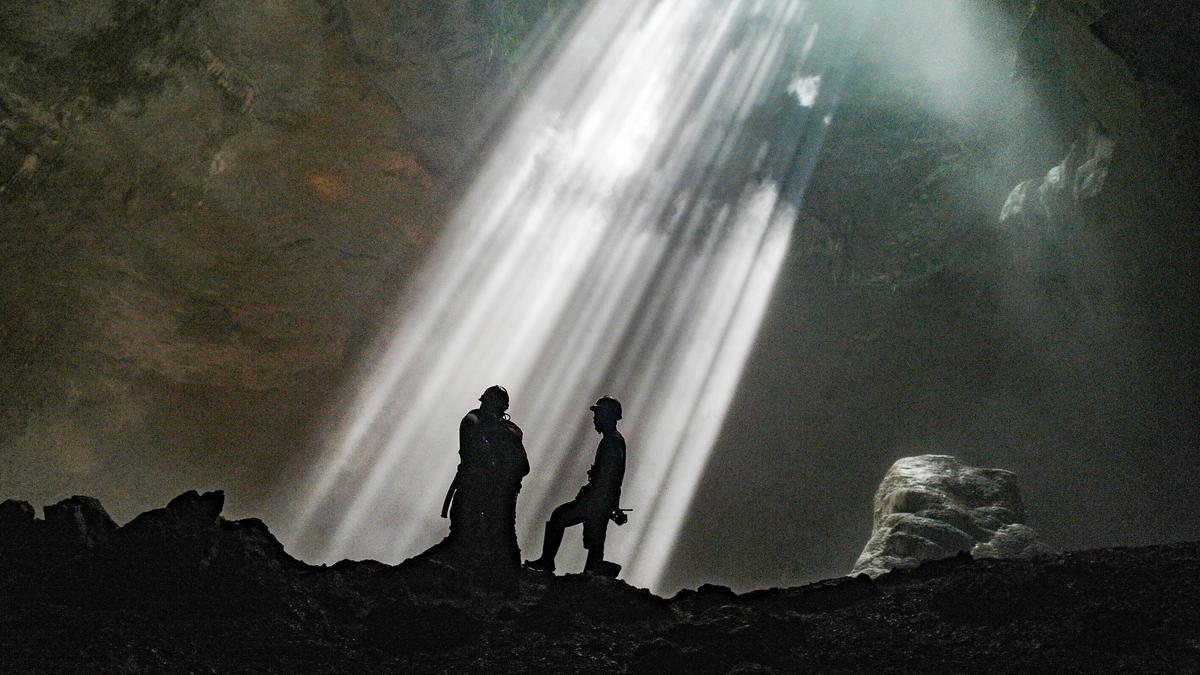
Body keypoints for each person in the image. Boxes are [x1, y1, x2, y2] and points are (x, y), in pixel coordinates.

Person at [525, 396, 627, 577]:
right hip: (601, 501)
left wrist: (598, 499)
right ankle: (594, 573)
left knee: (560, 517)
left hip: (597, 501)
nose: (595, 418)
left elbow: (610, 477)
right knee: (594, 543)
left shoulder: (611, 442)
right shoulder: (614, 440)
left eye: (598, 414)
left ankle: (548, 562)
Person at [441, 385, 529, 568]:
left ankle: (504, 575)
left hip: (494, 488)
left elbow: (521, 466)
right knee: (491, 531)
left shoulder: (505, 431)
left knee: (501, 532)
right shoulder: (479, 423)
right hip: (481, 485)